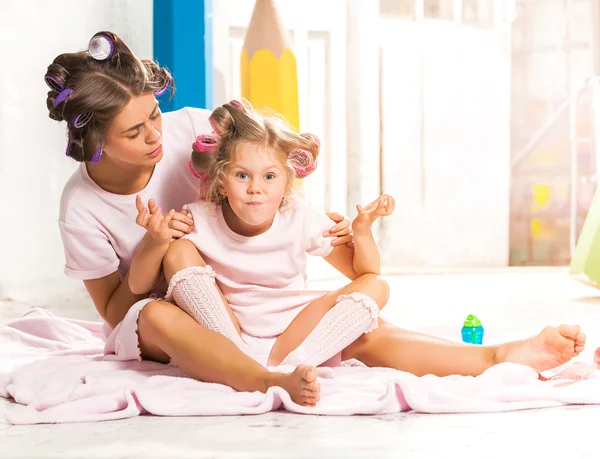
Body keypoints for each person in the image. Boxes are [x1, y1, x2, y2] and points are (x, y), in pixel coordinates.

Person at [48, 31, 585, 407]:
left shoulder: (192, 130)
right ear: (93, 143)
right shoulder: (83, 208)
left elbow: (259, 159)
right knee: (160, 309)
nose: (156, 137)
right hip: (176, 317)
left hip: (258, 305)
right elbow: (119, 310)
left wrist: (306, 219)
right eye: (134, 132)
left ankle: (499, 355)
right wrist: (154, 246)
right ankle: (260, 378)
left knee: (367, 330)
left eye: (153, 115)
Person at [129, 99, 396, 381]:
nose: (255, 188)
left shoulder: (300, 217)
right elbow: (137, 285)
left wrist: (362, 231)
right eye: (242, 175)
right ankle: (239, 359)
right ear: (221, 181)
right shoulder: (198, 219)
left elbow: (364, 273)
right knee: (177, 250)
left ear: (286, 183)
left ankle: (293, 366)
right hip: (227, 332)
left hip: (294, 334)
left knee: (377, 286)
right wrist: (156, 241)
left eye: (269, 176)